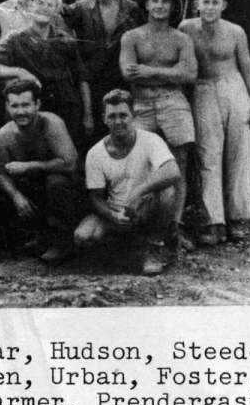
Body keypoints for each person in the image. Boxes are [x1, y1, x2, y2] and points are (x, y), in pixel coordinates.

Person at [179, 0, 250, 245]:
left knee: (238, 154)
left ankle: (238, 218)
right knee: (208, 155)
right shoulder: (186, 28)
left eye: (216, 2)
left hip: (234, 89)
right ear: (197, 5)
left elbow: (248, 67)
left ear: (224, 5)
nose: (211, 7)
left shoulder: (235, 31)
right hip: (204, 90)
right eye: (206, 2)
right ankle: (214, 222)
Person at [119, 0, 197, 250]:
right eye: (155, 1)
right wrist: (170, 72)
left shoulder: (181, 39)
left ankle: (175, 226)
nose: (160, 6)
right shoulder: (132, 37)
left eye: (165, 1)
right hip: (142, 103)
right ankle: (146, 226)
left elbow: (189, 74)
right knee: (142, 162)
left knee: (179, 163)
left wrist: (152, 72)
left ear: (172, 6)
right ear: (146, 4)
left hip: (173, 101)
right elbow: (128, 72)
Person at [74, 89, 181, 276]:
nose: (118, 121)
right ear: (104, 118)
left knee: (167, 191)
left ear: (134, 115)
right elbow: (96, 198)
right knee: (83, 237)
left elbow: (173, 171)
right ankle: (127, 250)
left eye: (123, 115)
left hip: (144, 207)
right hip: (117, 212)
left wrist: (139, 191)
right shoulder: (95, 153)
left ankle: (154, 248)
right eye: (112, 116)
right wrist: (112, 215)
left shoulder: (150, 140)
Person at [0, 0, 93, 152]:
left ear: (56, 11)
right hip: (31, 113)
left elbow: (82, 79)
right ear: (29, 6)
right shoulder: (15, 40)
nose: (44, 8)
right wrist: (21, 72)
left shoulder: (65, 41)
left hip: (66, 110)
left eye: (50, 5)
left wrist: (88, 116)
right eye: (40, 3)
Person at [0, 79, 82, 262]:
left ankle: (61, 244)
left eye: (26, 105)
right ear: (7, 106)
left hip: (62, 188)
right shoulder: (4, 135)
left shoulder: (51, 124)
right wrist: (16, 196)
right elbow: (1, 173)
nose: (20, 111)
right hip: (32, 189)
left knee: (56, 183)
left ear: (37, 104)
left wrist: (29, 165)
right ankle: (10, 248)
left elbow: (70, 163)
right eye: (15, 106)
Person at [62, 0, 143, 140]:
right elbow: (58, 16)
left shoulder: (133, 10)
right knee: (91, 139)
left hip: (123, 85)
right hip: (90, 89)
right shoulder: (81, 8)